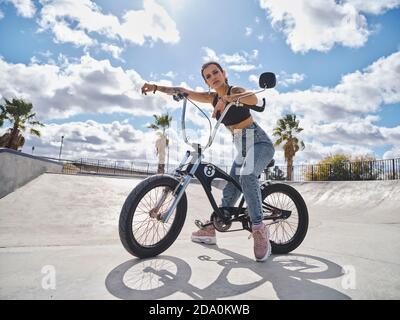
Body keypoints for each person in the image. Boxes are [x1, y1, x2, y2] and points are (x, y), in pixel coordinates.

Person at [141, 61, 275, 262]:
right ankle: (213, 226)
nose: (214, 77)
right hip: (243, 147)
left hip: (259, 142)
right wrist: (157, 88)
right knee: (231, 188)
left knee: (247, 175)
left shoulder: (235, 90)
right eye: (209, 76)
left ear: (224, 73)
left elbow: (252, 98)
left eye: (216, 72)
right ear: (207, 82)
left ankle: (259, 228)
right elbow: (182, 90)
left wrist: (227, 99)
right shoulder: (211, 97)